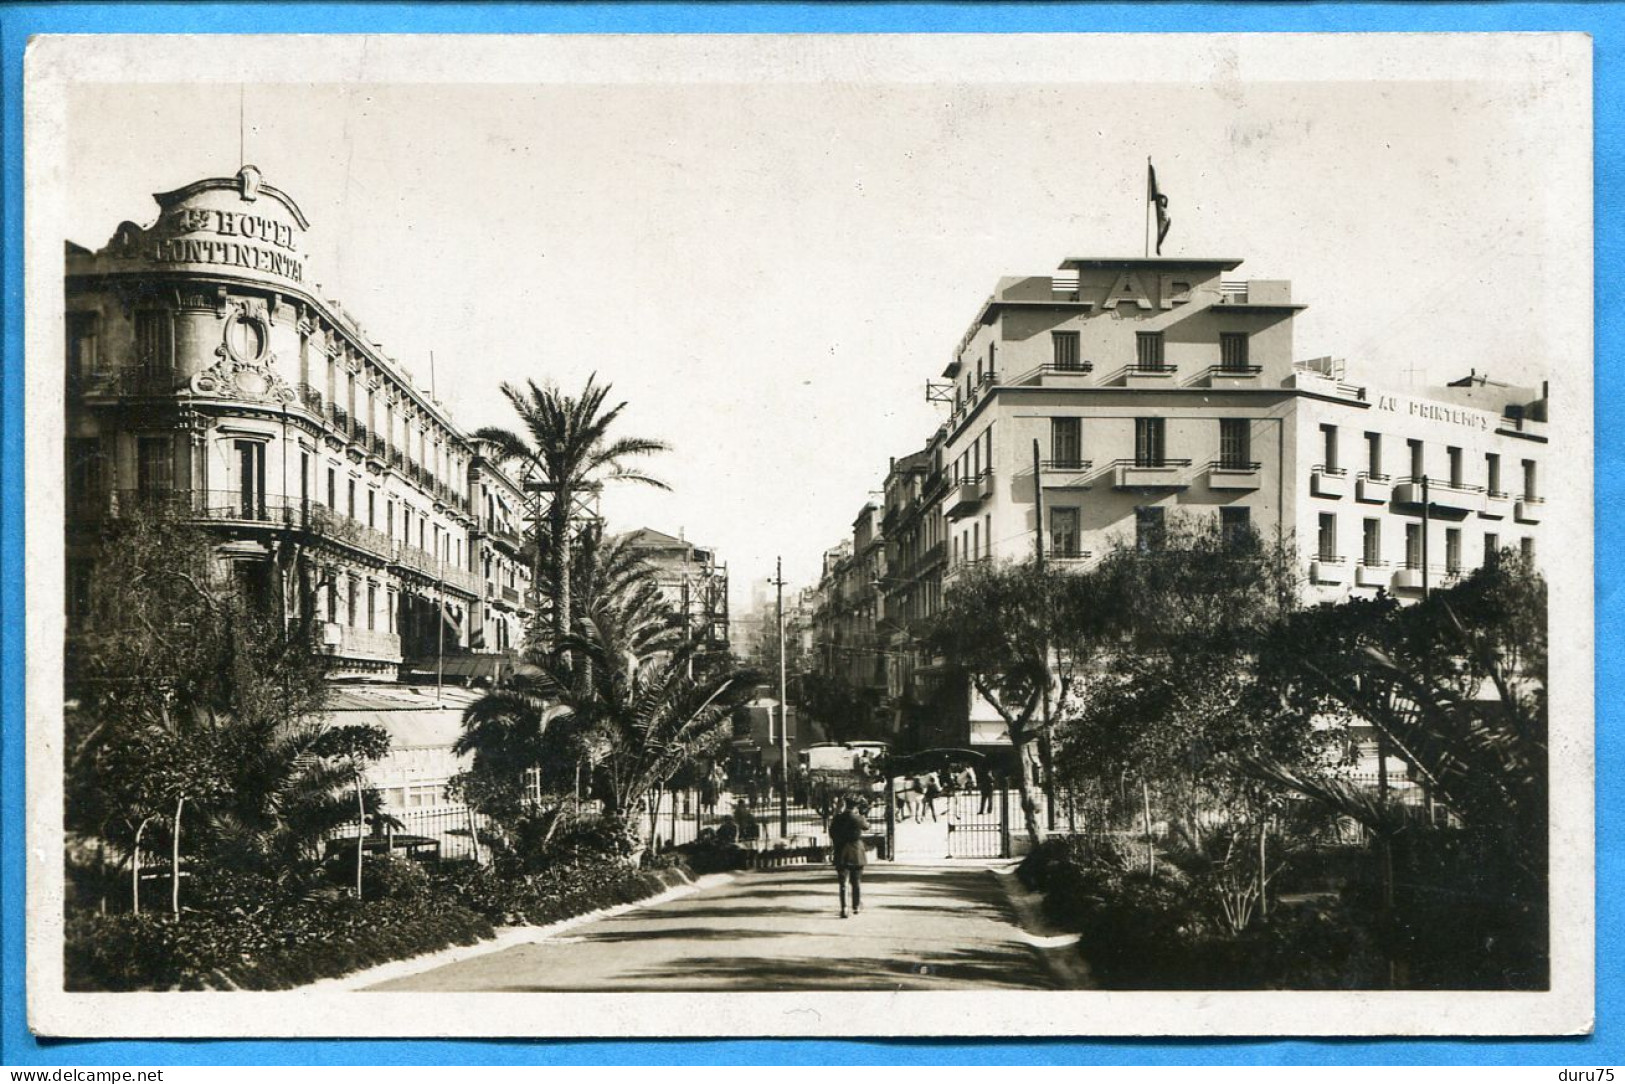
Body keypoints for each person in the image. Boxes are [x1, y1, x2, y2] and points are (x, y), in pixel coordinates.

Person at [828, 795, 870, 918]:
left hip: (841, 851)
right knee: (856, 881)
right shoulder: (858, 818)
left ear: (845, 804)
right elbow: (867, 826)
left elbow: (832, 833)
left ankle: (844, 908)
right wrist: (863, 814)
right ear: (856, 806)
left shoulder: (838, 818)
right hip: (856, 852)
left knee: (843, 882)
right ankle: (856, 906)